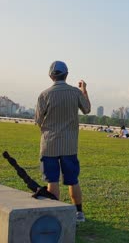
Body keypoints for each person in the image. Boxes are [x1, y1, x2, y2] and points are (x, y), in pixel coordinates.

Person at [35, 61, 91, 223]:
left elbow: (38, 120)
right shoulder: (75, 93)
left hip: (49, 145)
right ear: (66, 75)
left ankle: (55, 214)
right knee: (72, 180)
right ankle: (79, 213)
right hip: (69, 145)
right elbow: (86, 109)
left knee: (52, 181)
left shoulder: (44, 95)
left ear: (51, 76)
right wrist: (84, 90)